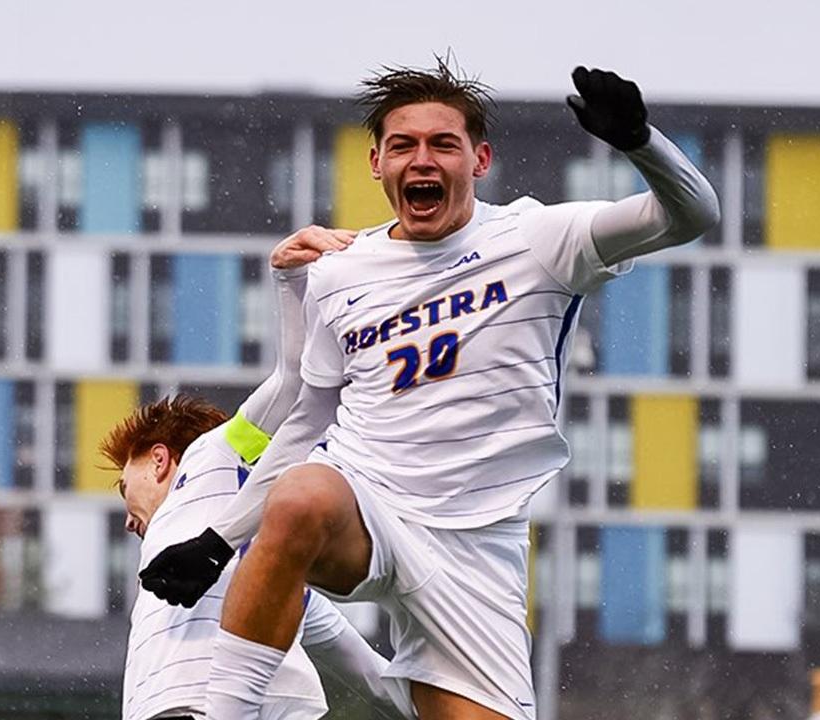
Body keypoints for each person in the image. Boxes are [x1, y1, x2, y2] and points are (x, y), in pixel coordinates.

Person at [139, 61, 721, 720]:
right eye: (403, 145)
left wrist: (640, 142)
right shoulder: (342, 272)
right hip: (367, 505)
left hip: (477, 549)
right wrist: (219, 540)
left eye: (443, 144)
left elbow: (692, 215)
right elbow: (306, 422)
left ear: (480, 160)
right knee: (303, 494)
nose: (422, 160)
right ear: (376, 164)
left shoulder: (537, 238)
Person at [104, 228, 412, 719]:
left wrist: (288, 278)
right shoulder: (275, 576)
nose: (127, 520)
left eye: (125, 487)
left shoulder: (211, 454)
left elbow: (293, 383)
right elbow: (371, 676)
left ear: (159, 460)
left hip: (189, 705)